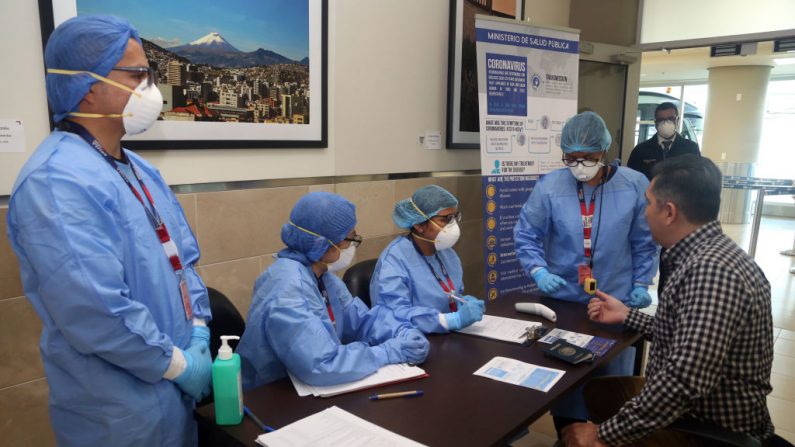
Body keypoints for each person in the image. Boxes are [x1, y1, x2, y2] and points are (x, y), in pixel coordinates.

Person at [6, 16, 211, 447]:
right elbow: (96, 311)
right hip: (119, 414)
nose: (149, 88)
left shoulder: (139, 170)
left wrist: (197, 330)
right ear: (88, 85)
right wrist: (177, 365)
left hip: (172, 398)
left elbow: (182, 262)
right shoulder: (56, 181)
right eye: (136, 75)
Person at [563, 155, 775, 447]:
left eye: (648, 204)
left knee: (586, 432)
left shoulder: (711, 272)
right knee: (599, 392)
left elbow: (683, 381)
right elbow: (686, 332)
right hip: (696, 408)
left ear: (670, 212)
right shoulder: (704, 254)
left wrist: (602, 435)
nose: (645, 212)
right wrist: (626, 315)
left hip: (706, 430)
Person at [513, 111, 659, 434]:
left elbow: (645, 240)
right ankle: (568, 434)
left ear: (603, 152)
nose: (579, 165)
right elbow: (526, 233)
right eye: (571, 158)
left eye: (588, 158)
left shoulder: (634, 184)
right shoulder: (550, 186)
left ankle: (606, 435)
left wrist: (639, 282)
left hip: (614, 300)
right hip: (562, 298)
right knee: (563, 378)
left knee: (608, 381)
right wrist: (538, 271)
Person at [237, 192, 430, 390]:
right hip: (271, 397)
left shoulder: (322, 275)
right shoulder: (286, 288)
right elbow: (320, 365)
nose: (353, 244)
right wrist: (387, 352)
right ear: (323, 243)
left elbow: (360, 322)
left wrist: (401, 331)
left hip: (306, 389)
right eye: (350, 238)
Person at [370, 185, 486, 333]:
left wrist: (461, 303)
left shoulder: (448, 254)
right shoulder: (394, 261)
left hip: (449, 337)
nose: (453, 224)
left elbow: (452, 294)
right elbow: (393, 316)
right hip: (413, 342)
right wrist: (450, 320)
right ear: (419, 224)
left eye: (455, 217)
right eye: (446, 219)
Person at [627, 101, 700, 181]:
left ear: (677, 120)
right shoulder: (640, 150)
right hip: (648, 193)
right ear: (655, 123)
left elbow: (697, 178)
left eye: (671, 119)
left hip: (680, 193)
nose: (666, 123)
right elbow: (631, 179)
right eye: (661, 120)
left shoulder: (691, 148)